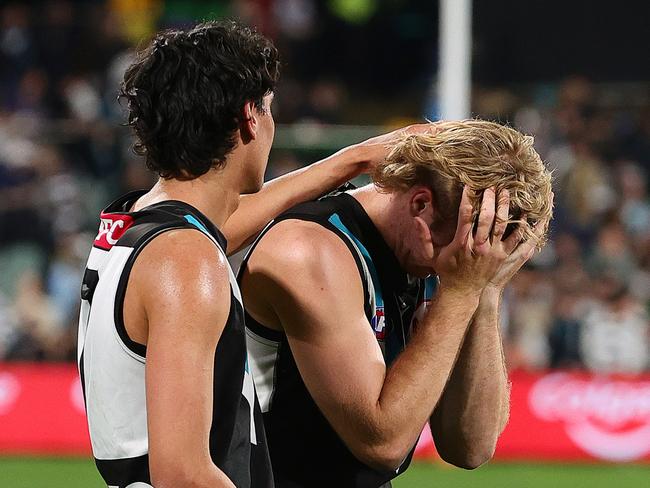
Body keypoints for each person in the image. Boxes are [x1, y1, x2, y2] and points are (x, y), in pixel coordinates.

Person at [77, 20, 428, 488]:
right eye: (268, 109)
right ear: (249, 117)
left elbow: (226, 224)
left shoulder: (143, 227)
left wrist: (356, 159)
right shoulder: (186, 261)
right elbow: (183, 474)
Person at [239, 120, 554, 487]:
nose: (470, 260)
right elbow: (381, 442)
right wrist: (461, 290)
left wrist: (485, 291)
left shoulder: (449, 255)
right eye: (468, 248)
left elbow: (470, 447)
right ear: (421, 204)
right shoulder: (308, 252)